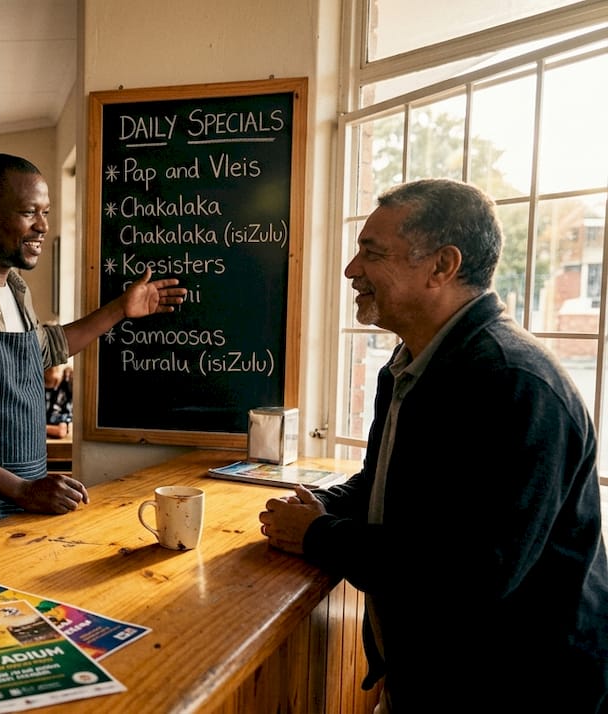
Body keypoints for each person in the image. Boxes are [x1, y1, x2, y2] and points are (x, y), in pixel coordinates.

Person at [257, 179, 608, 713]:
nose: (352, 270)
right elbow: (384, 487)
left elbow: (475, 575)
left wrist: (321, 535)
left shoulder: (515, 384)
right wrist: (321, 505)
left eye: (372, 253)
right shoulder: (408, 366)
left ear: (442, 266)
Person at [0, 153, 187, 549]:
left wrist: (119, 310)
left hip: (17, 517)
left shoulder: (13, 289)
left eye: (44, 212)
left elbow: (44, 349)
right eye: (29, 212)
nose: (43, 226)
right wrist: (23, 490)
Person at [43, 362, 73, 439]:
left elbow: (61, 431)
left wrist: (34, 428)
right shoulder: (33, 387)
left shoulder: (66, 386)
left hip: (59, 442)